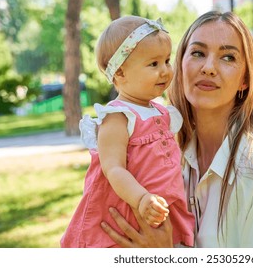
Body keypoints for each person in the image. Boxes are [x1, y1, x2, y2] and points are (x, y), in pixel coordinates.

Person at [100, 11, 253, 248]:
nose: (209, 68)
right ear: (180, 65)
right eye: (198, 53)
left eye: (228, 57)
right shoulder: (162, 157)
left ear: (245, 80)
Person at [60, 15, 195, 248]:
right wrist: (141, 198)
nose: (164, 71)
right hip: (130, 206)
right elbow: (113, 168)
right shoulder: (117, 116)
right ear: (120, 73)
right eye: (153, 64)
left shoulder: (163, 113)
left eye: (166, 61)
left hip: (159, 207)